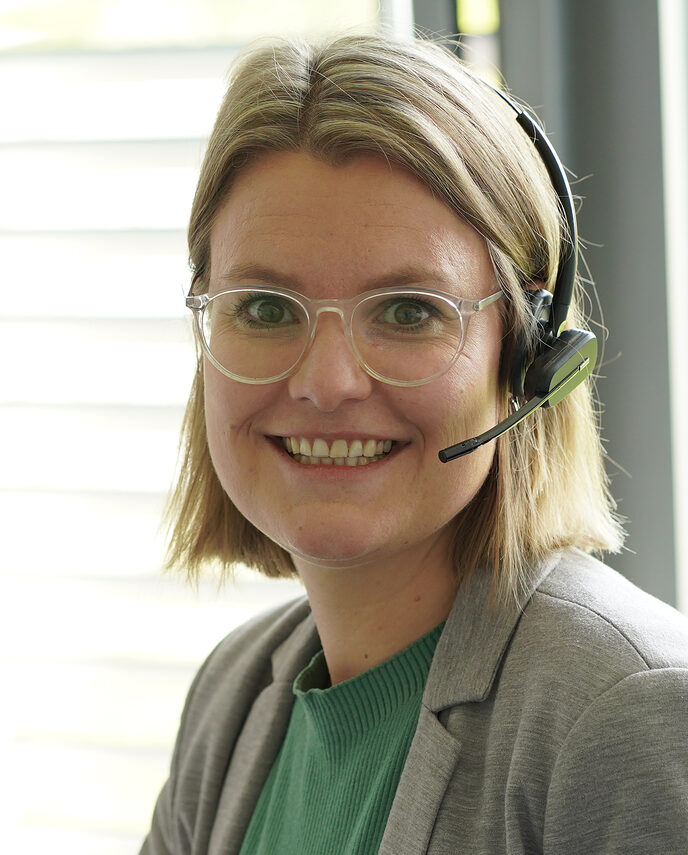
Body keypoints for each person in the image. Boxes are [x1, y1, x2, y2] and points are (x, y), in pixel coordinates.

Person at [140, 33, 688, 855]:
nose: (327, 383)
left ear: (526, 356)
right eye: (264, 308)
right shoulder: (236, 695)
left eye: (407, 311)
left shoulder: (623, 712)